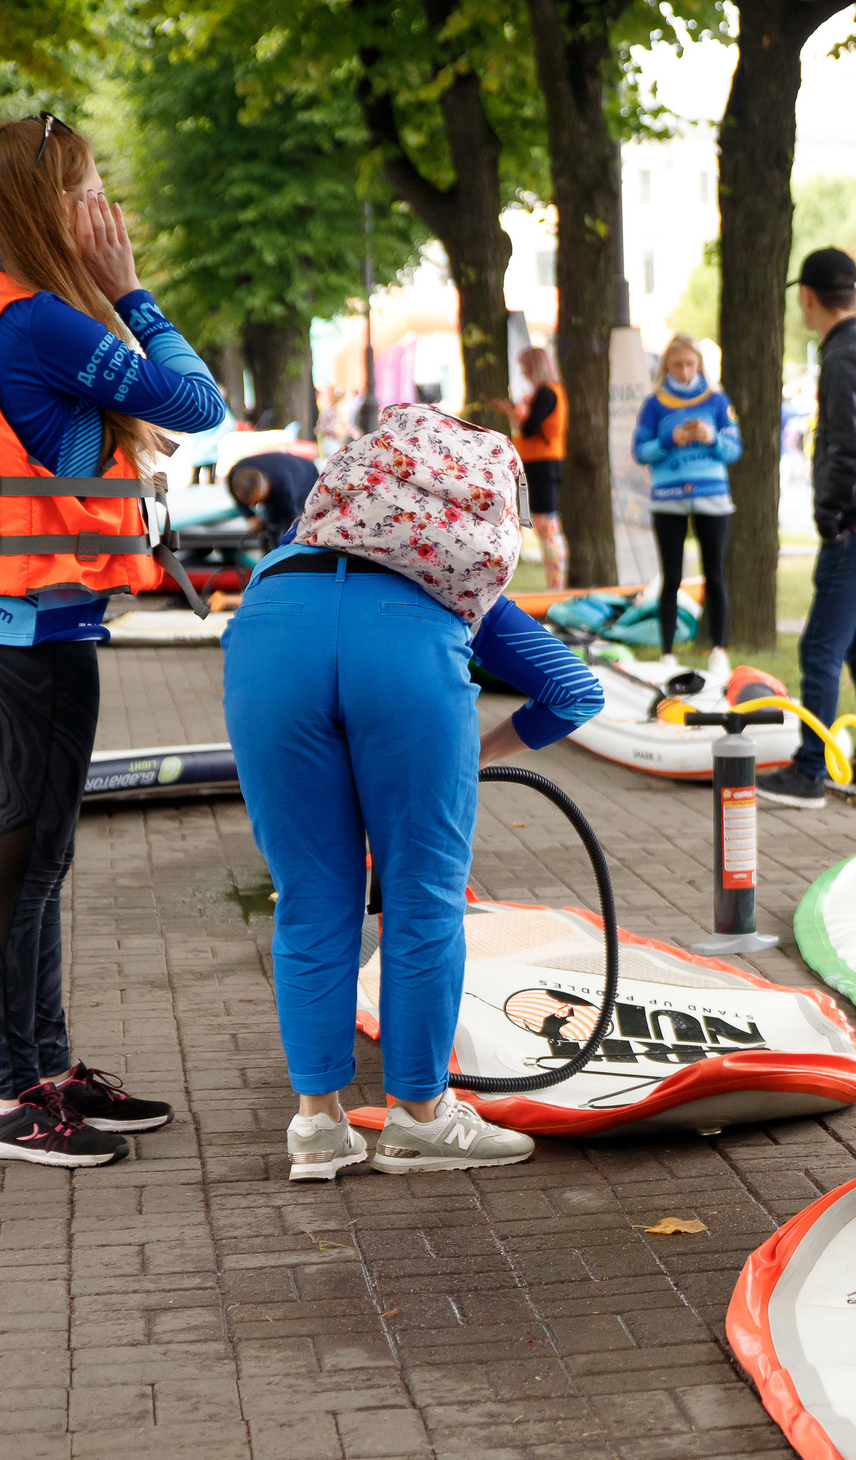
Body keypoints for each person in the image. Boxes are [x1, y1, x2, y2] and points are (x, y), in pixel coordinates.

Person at [0, 112, 232, 1167]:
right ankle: (14, 1099)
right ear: (44, 204)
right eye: (86, 189)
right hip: (33, 626)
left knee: (34, 855)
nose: (103, 211)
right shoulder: (41, 321)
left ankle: (46, 1073)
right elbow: (198, 402)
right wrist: (130, 286)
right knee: (26, 856)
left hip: (15, 615)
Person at [224, 404, 602, 1181]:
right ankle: (420, 1119)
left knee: (309, 896)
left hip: (270, 635)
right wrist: (476, 752)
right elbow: (572, 690)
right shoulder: (446, 568)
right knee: (422, 900)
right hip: (406, 655)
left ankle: (317, 1125)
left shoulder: (294, 548)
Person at [764, 247, 856, 812]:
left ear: (807, 298)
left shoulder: (844, 355)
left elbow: (846, 450)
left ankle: (809, 771)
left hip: (854, 529)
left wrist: (827, 519)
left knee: (820, 648)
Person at [631, 331, 740, 679]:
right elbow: (640, 451)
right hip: (667, 498)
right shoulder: (654, 403)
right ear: (666, 366)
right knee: (671, 577)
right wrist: (669, 439)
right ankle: (667, 653)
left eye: (690, 364)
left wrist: (712, 439)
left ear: (699, 364)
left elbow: (734, 449)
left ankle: (719, 649)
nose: (684, 371)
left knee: (715, 574)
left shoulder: (717, 399)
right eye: (676, 364)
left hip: (713, 495)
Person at [513, 346, 568, 587]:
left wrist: (518, 415)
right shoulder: (548, 392)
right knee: (546, 526)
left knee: (548, 527)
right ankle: (554, 581)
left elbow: (531, 427)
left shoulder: (546, 392)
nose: (523, 371)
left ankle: (556, 584)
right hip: (542, 464)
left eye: (526, 366)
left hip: (542, 465)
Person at [225, 448, 320, 536]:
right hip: (280, 482)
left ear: (266, 487)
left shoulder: (283, 484)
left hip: (307, 479)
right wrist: (250, 516)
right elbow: (239, 501)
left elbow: (289, 518)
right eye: (252, 503)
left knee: (291, 530)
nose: (255, 504)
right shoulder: (234, 477)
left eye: (259, 500)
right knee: (268, 524)